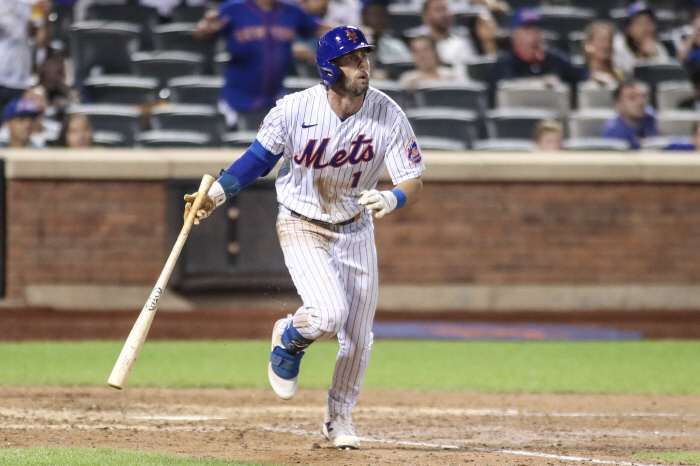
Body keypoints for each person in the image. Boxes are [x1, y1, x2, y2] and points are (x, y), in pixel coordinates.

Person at [183, 25, 424, 450]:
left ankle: (338, 417)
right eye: (352, 59)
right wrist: (215, 196)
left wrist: (393, 197)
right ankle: (289, 337)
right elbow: (258, 159)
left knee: (358, 338)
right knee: (329, 315)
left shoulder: (389, 113)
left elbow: (413, 179)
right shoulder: (294, 109)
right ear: (330, 68)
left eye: (364, 56)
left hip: (356, 229)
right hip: (302, 222)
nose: (363, 65)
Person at [194, 0, 329, 128]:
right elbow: (203, 31)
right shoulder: (234, 8)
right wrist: (205, 29)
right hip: (236, 99)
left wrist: (343, 32)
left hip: (273, 99)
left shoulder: (292, 10)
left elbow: (321, 29)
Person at [495, 8, 588, 85]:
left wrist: (592, 76)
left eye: (537, 31)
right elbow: (507, 84)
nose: (534, 37)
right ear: (515, 35)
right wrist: (541, 81)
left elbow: (580, 75)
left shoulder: (553, 58)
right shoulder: (506, 61)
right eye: (528, 32)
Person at [0, 0, 49, 121]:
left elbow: (40, 41)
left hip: (21, 77)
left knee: (18, 123)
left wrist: (45, 18)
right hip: (1, 74)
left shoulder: (29, 4)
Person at [410, 0, 476, 77]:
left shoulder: (460, 44)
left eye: (446, 9)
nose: (444, 14)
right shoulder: (417, 44)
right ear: (426, 16)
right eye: (438, 10)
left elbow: (466, 74)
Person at [613, 2, 670, 76]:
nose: (646, 28)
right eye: (640, 23)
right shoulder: (619, 45)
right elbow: (625, 74)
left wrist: (653, 55)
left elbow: (666, 74)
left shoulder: (656, 46)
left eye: (649, 23)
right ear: (628, 28)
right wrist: (642, 57)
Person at [600, 79, 658, 150]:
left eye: (642, 96)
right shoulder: (613, 132)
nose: (640, 102)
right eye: (632, 98)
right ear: (618, 104)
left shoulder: (652, 117)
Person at [361, 0, 412, 79]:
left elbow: (406, 69)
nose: (379, 19)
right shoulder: (353, 44)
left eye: (383, 14)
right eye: (375, 14)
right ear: (364, 16)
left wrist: (388, 74)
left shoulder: (395, 45)